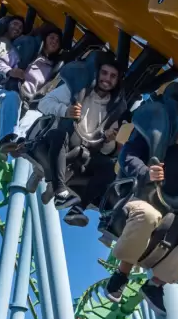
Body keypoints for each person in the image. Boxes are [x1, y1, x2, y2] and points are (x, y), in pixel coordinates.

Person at [104, 85, 178, 315]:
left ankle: (155, 284)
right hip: (137, 200)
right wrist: (146, 172)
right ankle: (122, 274)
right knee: (148, 215)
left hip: (171, 212)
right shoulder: (156, 136)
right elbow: (128, 156)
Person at [11, 52, 126, 223]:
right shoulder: (77, 89)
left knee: (109, 168)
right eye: (104, 73)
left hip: (82, 153)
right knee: (62, 131)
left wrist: (109, 141)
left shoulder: (113, 108)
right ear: (97, 74)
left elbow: (106, 150)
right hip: (55, 140)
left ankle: (77, 209)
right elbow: (44, 104)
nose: (107, 79)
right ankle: (58, 191)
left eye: (113, 76)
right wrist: (66, 111)